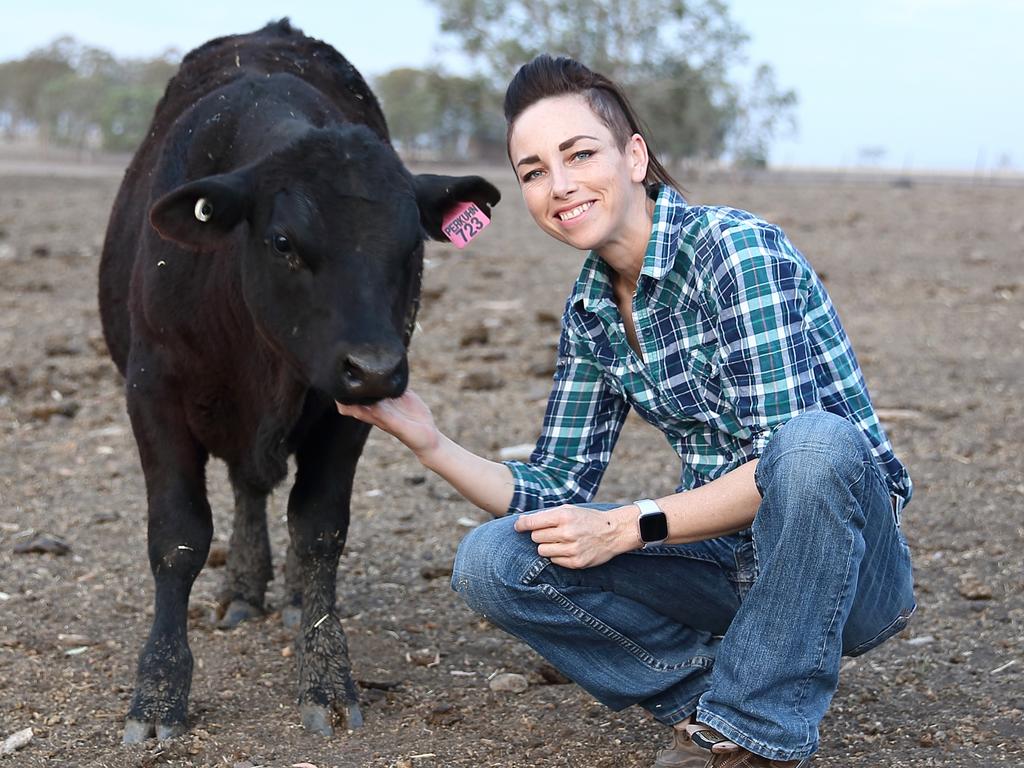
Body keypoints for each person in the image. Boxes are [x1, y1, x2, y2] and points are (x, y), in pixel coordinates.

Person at [338, 55, 916, 768]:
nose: (561, 185)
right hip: (727, 563)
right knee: (492, 560)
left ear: (635, 156)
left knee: (813, 444)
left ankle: (753, 728)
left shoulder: (735, 252)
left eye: (580, 154)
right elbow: (554, 488)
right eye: (534, 171)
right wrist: (430, 443)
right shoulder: (590, 310)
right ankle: (717, 707)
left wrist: (627, 526)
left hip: (847, 566)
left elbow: (786, 462)